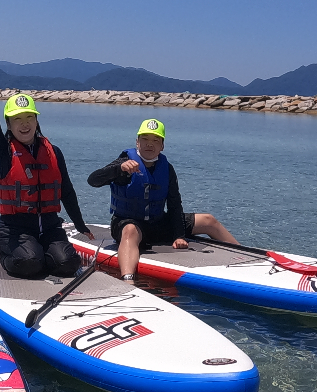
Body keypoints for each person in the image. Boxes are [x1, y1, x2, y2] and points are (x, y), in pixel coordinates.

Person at [0, 43, 91, 278]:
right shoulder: (3, 152)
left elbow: (67, 191)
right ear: (8, 124)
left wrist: (79, 224)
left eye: (29, 117)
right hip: (15, 230)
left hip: (50, 227)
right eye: (17, 119)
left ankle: (44, 253)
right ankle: (5, 254)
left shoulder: (54, 152)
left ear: (37, 121)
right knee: (30, 264)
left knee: (68, 263)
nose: (24, 124)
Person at [86, 117, 239, 281]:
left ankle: (249, 259)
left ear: (162, 146)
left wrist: (179, 235)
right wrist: (118, 169)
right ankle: (128, 280)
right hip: (127, 224)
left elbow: (175, 205)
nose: (149, 144)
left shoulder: (167, 169)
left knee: (208, 220)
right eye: (145, 139)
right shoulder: (124, 164)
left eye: (155, 140)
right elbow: (93, 180)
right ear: (137, 142)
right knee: (130, 231)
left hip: (157, 223)